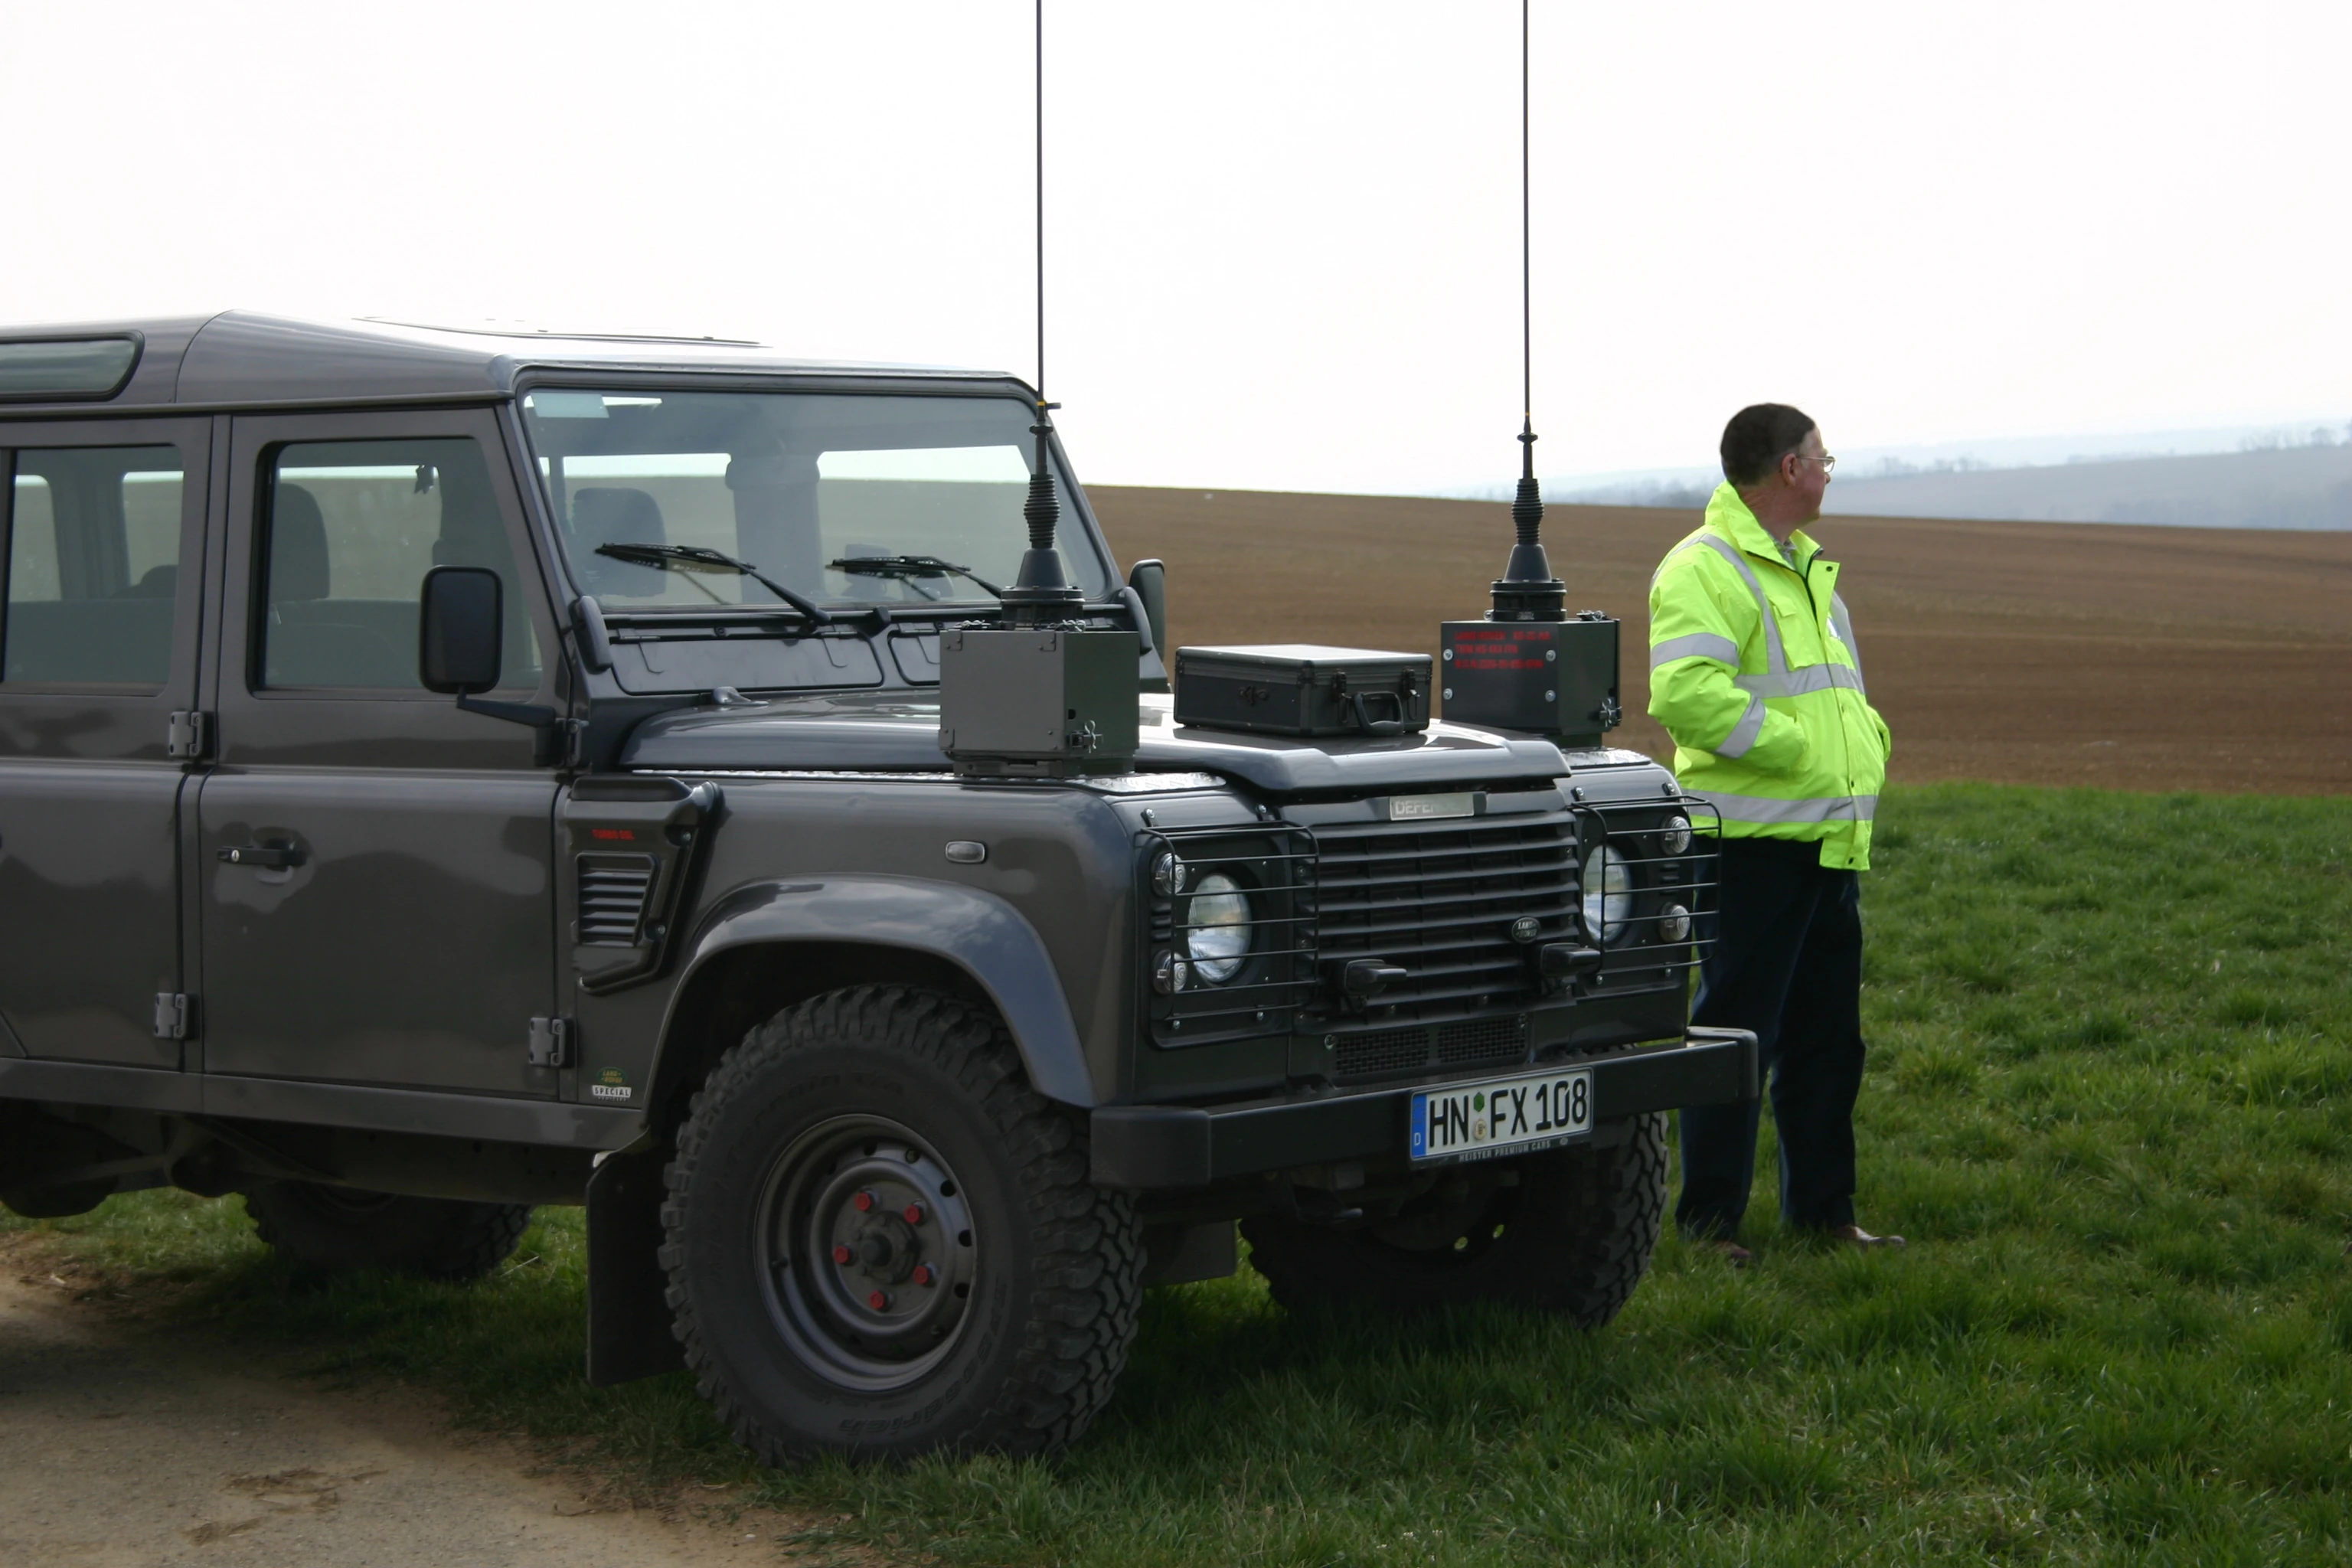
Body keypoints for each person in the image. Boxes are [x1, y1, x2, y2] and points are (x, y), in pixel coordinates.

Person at [1647, 403, 1900, 1264]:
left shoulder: (1808, 571)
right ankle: (1709, 1225)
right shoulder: (1705, 566)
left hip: (1829, 842)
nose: (1830, 469)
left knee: (1830, 1038)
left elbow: (1835, 695)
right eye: (1823, 456)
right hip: (1751, 847)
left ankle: (1825, 1216)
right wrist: (1797, 751)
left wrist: (1862, 749)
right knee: (1735, 1039)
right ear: (1789, 468)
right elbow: (1685, 693)